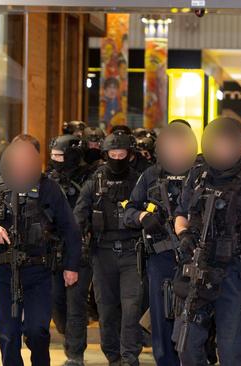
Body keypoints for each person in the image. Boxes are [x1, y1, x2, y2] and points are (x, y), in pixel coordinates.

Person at [172, 117, 241, 365]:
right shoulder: (197, 174)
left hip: (236, 277)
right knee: (186, 347)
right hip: (198, 272)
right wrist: (184, 234)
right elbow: (180, 213)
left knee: (233, 354)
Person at [0, 134, 81, 366]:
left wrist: (71, 266)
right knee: (8, 335)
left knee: (37, 331)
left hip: (38, 272)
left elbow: (70, 229)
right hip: (5, 272)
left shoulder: (49, 189)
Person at [123, 122, 198, 366]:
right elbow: (129, 211)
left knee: (194, 321)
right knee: (161, 318)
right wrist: (143, 217)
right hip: (161, 257)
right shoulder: (150, 176)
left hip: (195, 257)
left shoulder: (201, 172)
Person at [74, 130, 143, 366]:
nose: (116, 158)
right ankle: (113, 355)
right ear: (105, 155)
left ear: (130, 155)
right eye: (112, 154)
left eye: (121, 153)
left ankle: (128, 356)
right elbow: (78, 217)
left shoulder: (139, 180)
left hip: (132, 251)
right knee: (106, 308)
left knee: (132, 308)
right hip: (101, 253)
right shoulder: (94, 182)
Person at [47, 134, 93, 366]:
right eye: (53, 156)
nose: (55, 160)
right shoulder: (48, 179)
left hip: (79, 249)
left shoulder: (89, 179)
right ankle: (69, 338)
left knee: (76, 303)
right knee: (56, 302)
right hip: (53, 248)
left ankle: (75, 354)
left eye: (60, 156)